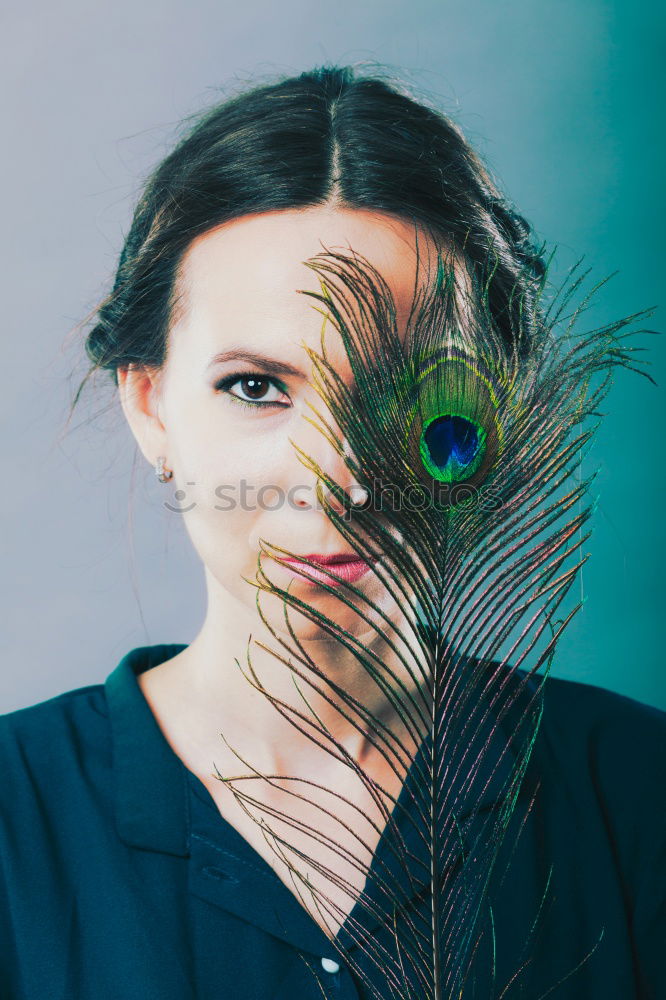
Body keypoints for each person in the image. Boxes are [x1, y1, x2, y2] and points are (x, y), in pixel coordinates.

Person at [1, 64, 664, 1000]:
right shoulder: (13, 821)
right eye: (256, 388)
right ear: (150, 408)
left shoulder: (638, 792)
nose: (338, 477)